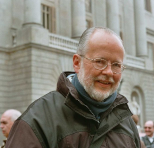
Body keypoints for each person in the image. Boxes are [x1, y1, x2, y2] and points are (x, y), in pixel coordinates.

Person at [5, 27, 141, 148]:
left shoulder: (127, 123)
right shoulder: (38, 119)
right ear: (77, 63)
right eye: (100, 62)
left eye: (116, 65)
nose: (109, 72)